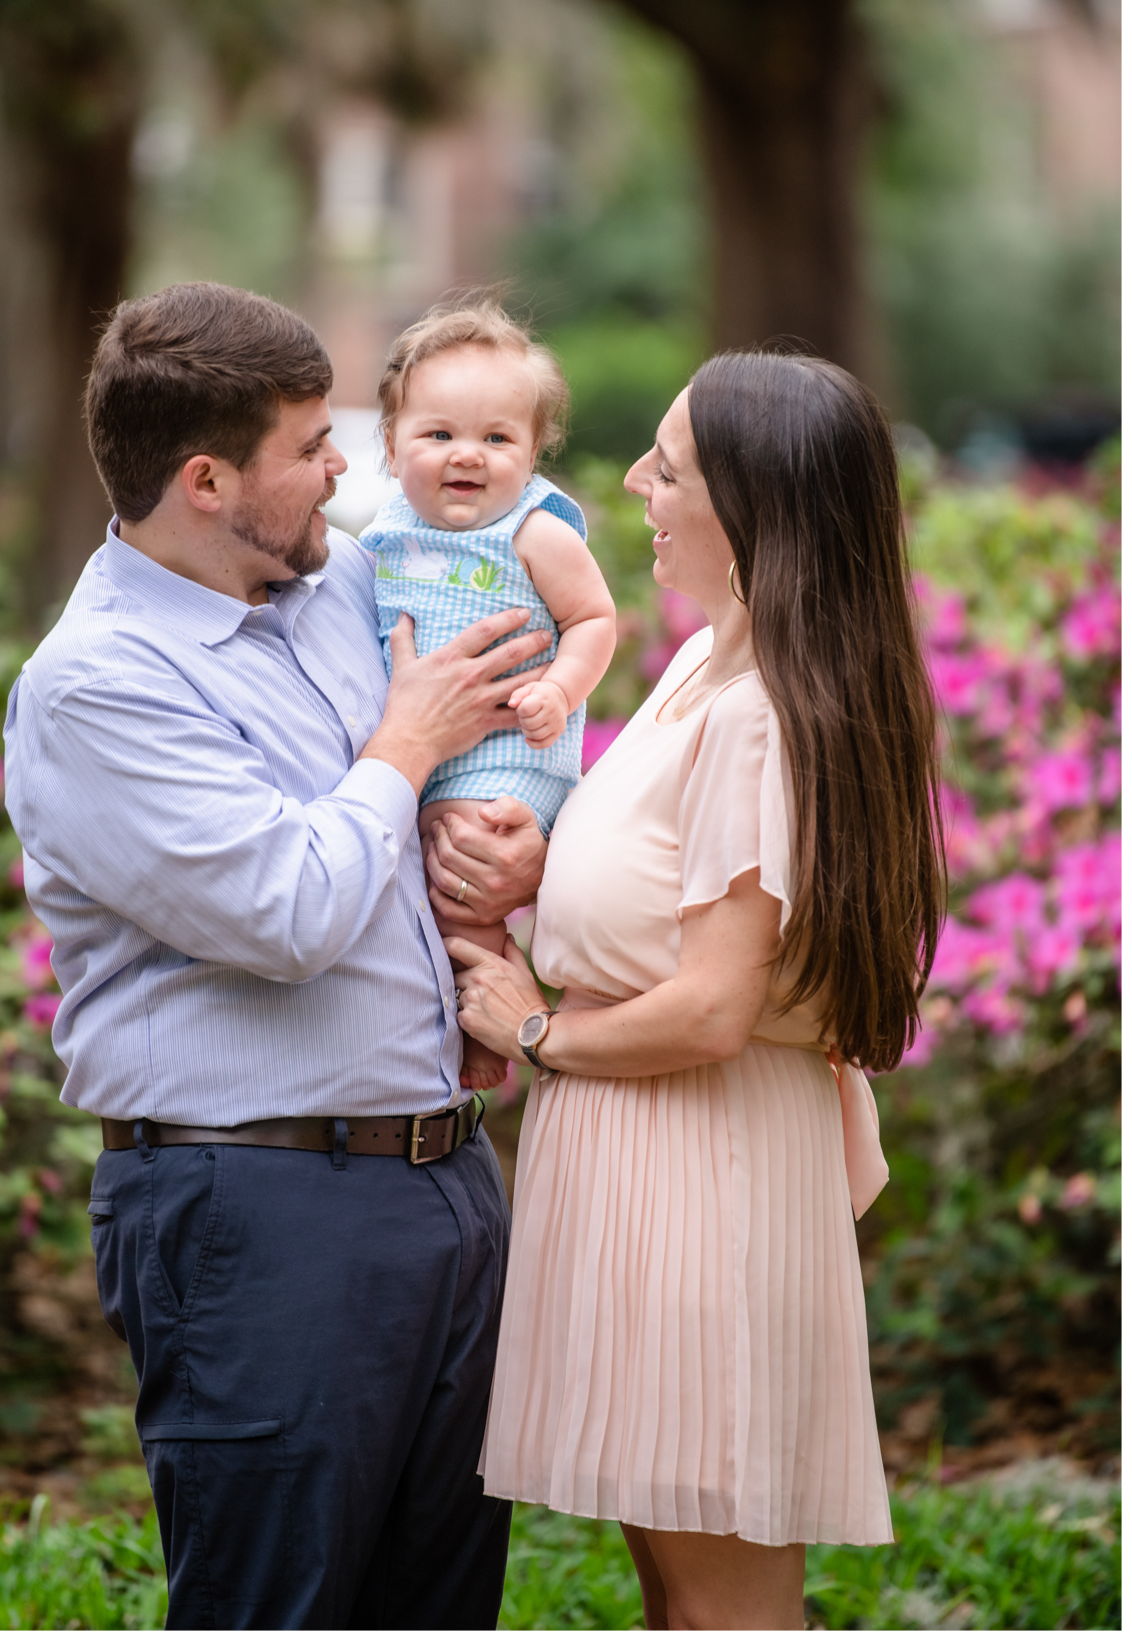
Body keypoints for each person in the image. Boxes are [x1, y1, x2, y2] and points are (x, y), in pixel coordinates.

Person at [2, 280, 552, 1630]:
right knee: (279, 1608)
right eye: (310, 448)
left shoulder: (339, 584)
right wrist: (403, 745)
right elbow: (286, 914)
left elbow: (460, 779)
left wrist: (511, 847)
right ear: (205, 479)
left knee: (437, 1608)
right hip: (254, 1213)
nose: (344, 469)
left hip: (444, 1183)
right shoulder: (101, 686)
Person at [442, 346, 946, 1630]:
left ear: (753, 505)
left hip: (698, 1186)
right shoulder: (700, 670)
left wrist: (533, 1028)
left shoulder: (758, 711)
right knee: (677, 1593)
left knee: (724, 1604)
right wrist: (545, 868)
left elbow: (717, 1006)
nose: (632, 486)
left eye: (667, 468)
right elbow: (684, 907)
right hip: (645, 1173)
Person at [359, 298, 617, 1091]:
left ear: (533, 452)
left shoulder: (535, 533)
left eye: (497, 438)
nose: (466, 454)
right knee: (423, 896)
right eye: (438, 434)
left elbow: (594, 619)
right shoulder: (382, 537)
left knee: (461, 889)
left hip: (508, 757)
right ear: (392, 444)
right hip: (420, 757)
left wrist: (562, 688)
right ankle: (475, 1013)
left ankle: (485, 1033)